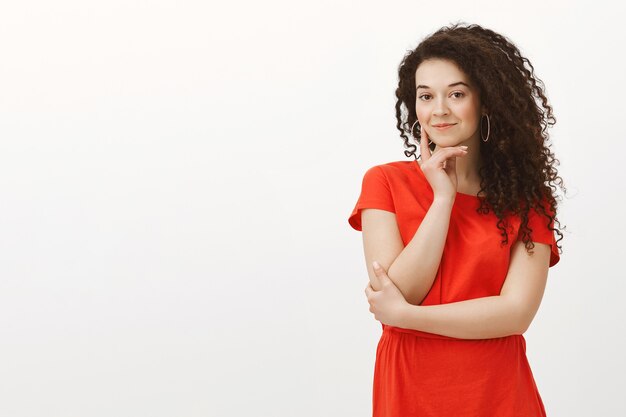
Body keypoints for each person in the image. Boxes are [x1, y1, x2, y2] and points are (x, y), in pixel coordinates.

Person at [348, 22, 565, 416]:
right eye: (426, 96)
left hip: (498, 394)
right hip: (410, 390)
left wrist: (406, 317)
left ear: (487, 101)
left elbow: (515, 313)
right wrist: (443, 199)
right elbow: (402, 289)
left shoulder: (528, 200)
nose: (439, 110)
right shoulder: (384, 181)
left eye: (457, 94)